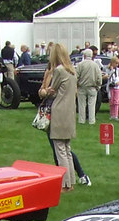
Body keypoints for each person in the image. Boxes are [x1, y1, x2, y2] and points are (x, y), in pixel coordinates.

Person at [39, 43, 77, 191]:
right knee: (67, 149)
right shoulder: (72, 70)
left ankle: (65, 184)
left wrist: (43, 91)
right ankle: (71, 182)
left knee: (60, 150)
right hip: (69, 111)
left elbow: (50, 91)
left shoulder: (59, 71)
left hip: (59, 111)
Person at [75, 48, 103, 124]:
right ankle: (91, 120)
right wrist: (98, 86)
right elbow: (99, 77)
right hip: (93, 87)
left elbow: (76, 76)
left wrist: (76, 85)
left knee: (81, 105)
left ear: (84, 55)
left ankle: (81, 120)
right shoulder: (95, 65)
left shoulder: (80, 65)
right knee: (92, 105)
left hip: (82, 87)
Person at [104, 56, 119, 121]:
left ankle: (115, 115)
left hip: (117, 87)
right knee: (111, 101)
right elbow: (107, 77)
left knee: (116, 102)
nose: (116, 65)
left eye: (117, 63)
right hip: (111, 87)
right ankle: (112, 114)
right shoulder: (108, 69)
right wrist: (112, 71)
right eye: (115, 63)